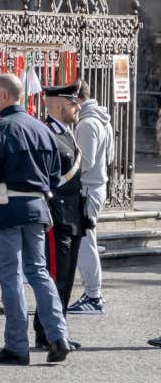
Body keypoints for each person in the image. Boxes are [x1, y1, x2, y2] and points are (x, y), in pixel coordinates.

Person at [0, 73, 71, 365]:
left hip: (5, 209)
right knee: (39, 272)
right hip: (37, 208)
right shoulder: (42, 130)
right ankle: (58, 336)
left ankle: (17, 345)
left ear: (5, 96)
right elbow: (54, 175)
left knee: (11, 277)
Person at [31, 82, 86, 350]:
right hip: (56, 216)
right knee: (54, 277)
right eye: (74, 102)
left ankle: (58, 329)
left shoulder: (66, 133)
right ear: (58, 104)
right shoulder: (46, 133)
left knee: (66, 277)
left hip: (73, 216)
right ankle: (47, 332)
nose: (78, 107)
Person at [69, 80, 115, 315]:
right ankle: (93, 294)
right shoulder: (100, 118)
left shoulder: (87, 123)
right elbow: (108, 157)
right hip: (96, 186)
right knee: (88, 242)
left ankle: (94, 295)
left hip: (88, 189)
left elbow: (84, 162)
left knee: (86, 244)